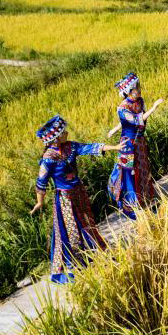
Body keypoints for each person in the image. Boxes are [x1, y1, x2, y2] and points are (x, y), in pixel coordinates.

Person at [29, 115, 119, 284]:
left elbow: (90, 148)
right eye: (63, 133)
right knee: (70, 230)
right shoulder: (48, 159)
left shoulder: (70, 147)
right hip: (65, 198)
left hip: (79, 193)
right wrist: (39, 202)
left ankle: (94, 253)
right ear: (55, 139)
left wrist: (115, 147)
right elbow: (41, 182)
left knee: (87, 223)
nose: (67, 134)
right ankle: (72, 264)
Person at [107, 73, 163, 220]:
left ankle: (148, 200)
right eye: (135, 88)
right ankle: (132, 205)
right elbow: (137, 120)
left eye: (138, 86)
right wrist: (154, 107)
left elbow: (130, 120)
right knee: (130, 174)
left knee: (144, 170)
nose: (139, 89)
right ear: (128, 91)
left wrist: (114, 129)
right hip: (128, 145)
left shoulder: (140, 101)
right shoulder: (122, 107)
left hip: (140, 142)